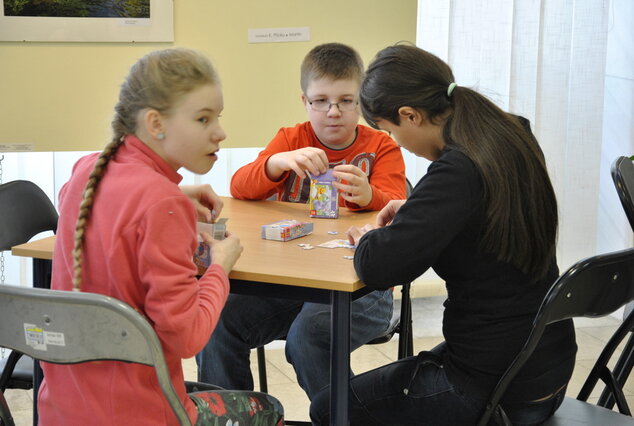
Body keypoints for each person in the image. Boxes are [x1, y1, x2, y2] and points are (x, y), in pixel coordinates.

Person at [309, 44, 577, 425]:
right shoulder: (510, 134)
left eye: (390, 130)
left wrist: (367, 235)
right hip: (544, 368)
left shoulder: (457, 169)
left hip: (494, 389)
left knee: (328, 407)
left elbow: (380, 266)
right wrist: (417, 213)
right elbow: (481, 217)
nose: (396, 141)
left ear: (410, 115)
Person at [39, 48, 284, 426]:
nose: (220, 132)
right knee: (267, 408)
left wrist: (179, 202)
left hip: (65, 409)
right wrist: (220, 266)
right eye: (203, 119)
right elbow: (187, 338)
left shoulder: (87, 170)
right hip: (142, 414)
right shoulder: (161, 202)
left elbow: (110, 208)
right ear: (156, 123)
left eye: (218, 117)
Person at [196, 42, 407, 400]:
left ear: (362, 102)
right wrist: (276, 163)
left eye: (345, 100)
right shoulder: (291, 138)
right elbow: (241, 187)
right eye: (321, 100)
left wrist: (369, 194)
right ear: (305, 102)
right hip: (293, 284)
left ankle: (347, 417)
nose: (333, 111)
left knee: (310, 335)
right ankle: (232, 417)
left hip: (364, 287)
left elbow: (397, 208)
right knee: (215, 318)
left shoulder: (382, 147)